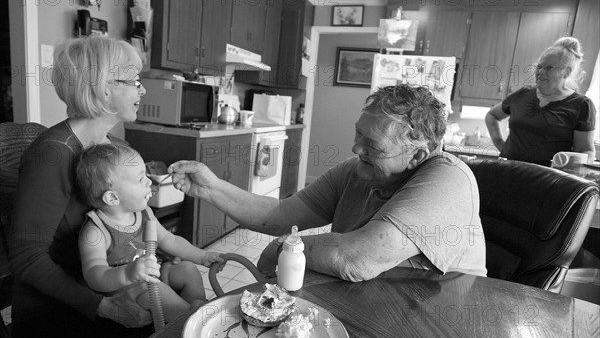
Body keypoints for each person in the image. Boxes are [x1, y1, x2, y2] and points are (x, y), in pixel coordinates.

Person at [169, 84, 487, 283]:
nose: (355, 148)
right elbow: (281, 215)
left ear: (416, 157)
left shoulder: (449, 178)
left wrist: (285, 248)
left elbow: (357, 259)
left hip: (440, 324)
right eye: (358, 133)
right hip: (374, 305)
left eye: (372, 145)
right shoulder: (356, 172)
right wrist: (210, 188)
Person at [9, 36, 153, 338]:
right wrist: (105, 307)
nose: (142, 90)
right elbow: (27, 260)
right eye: (134, 81)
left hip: (105, 284)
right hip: (55, 314)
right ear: (104, 89)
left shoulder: (113, 148)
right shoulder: (52, 155)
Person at [76, 144, 223, 323]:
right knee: (154, 288)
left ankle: (194, 312)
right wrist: (127, 274)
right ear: (112, 198)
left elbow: (171, 240)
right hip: (130, 292)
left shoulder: (144, 213)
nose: (148, 181)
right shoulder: (95, 231)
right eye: (140, 179)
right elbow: (94, 275)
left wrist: (203, 256)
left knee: (187, 269)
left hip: (156, 277)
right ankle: (192, 323)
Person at [485, 36, 596, 166]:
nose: (541, 72)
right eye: (539, 67)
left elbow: (586, 151)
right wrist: (501, 146)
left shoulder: (581, 105)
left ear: (566, 72)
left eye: (549, 68)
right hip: (507, 173)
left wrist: (572, 165)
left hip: (548, 181)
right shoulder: (523, 94)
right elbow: (492, 116)